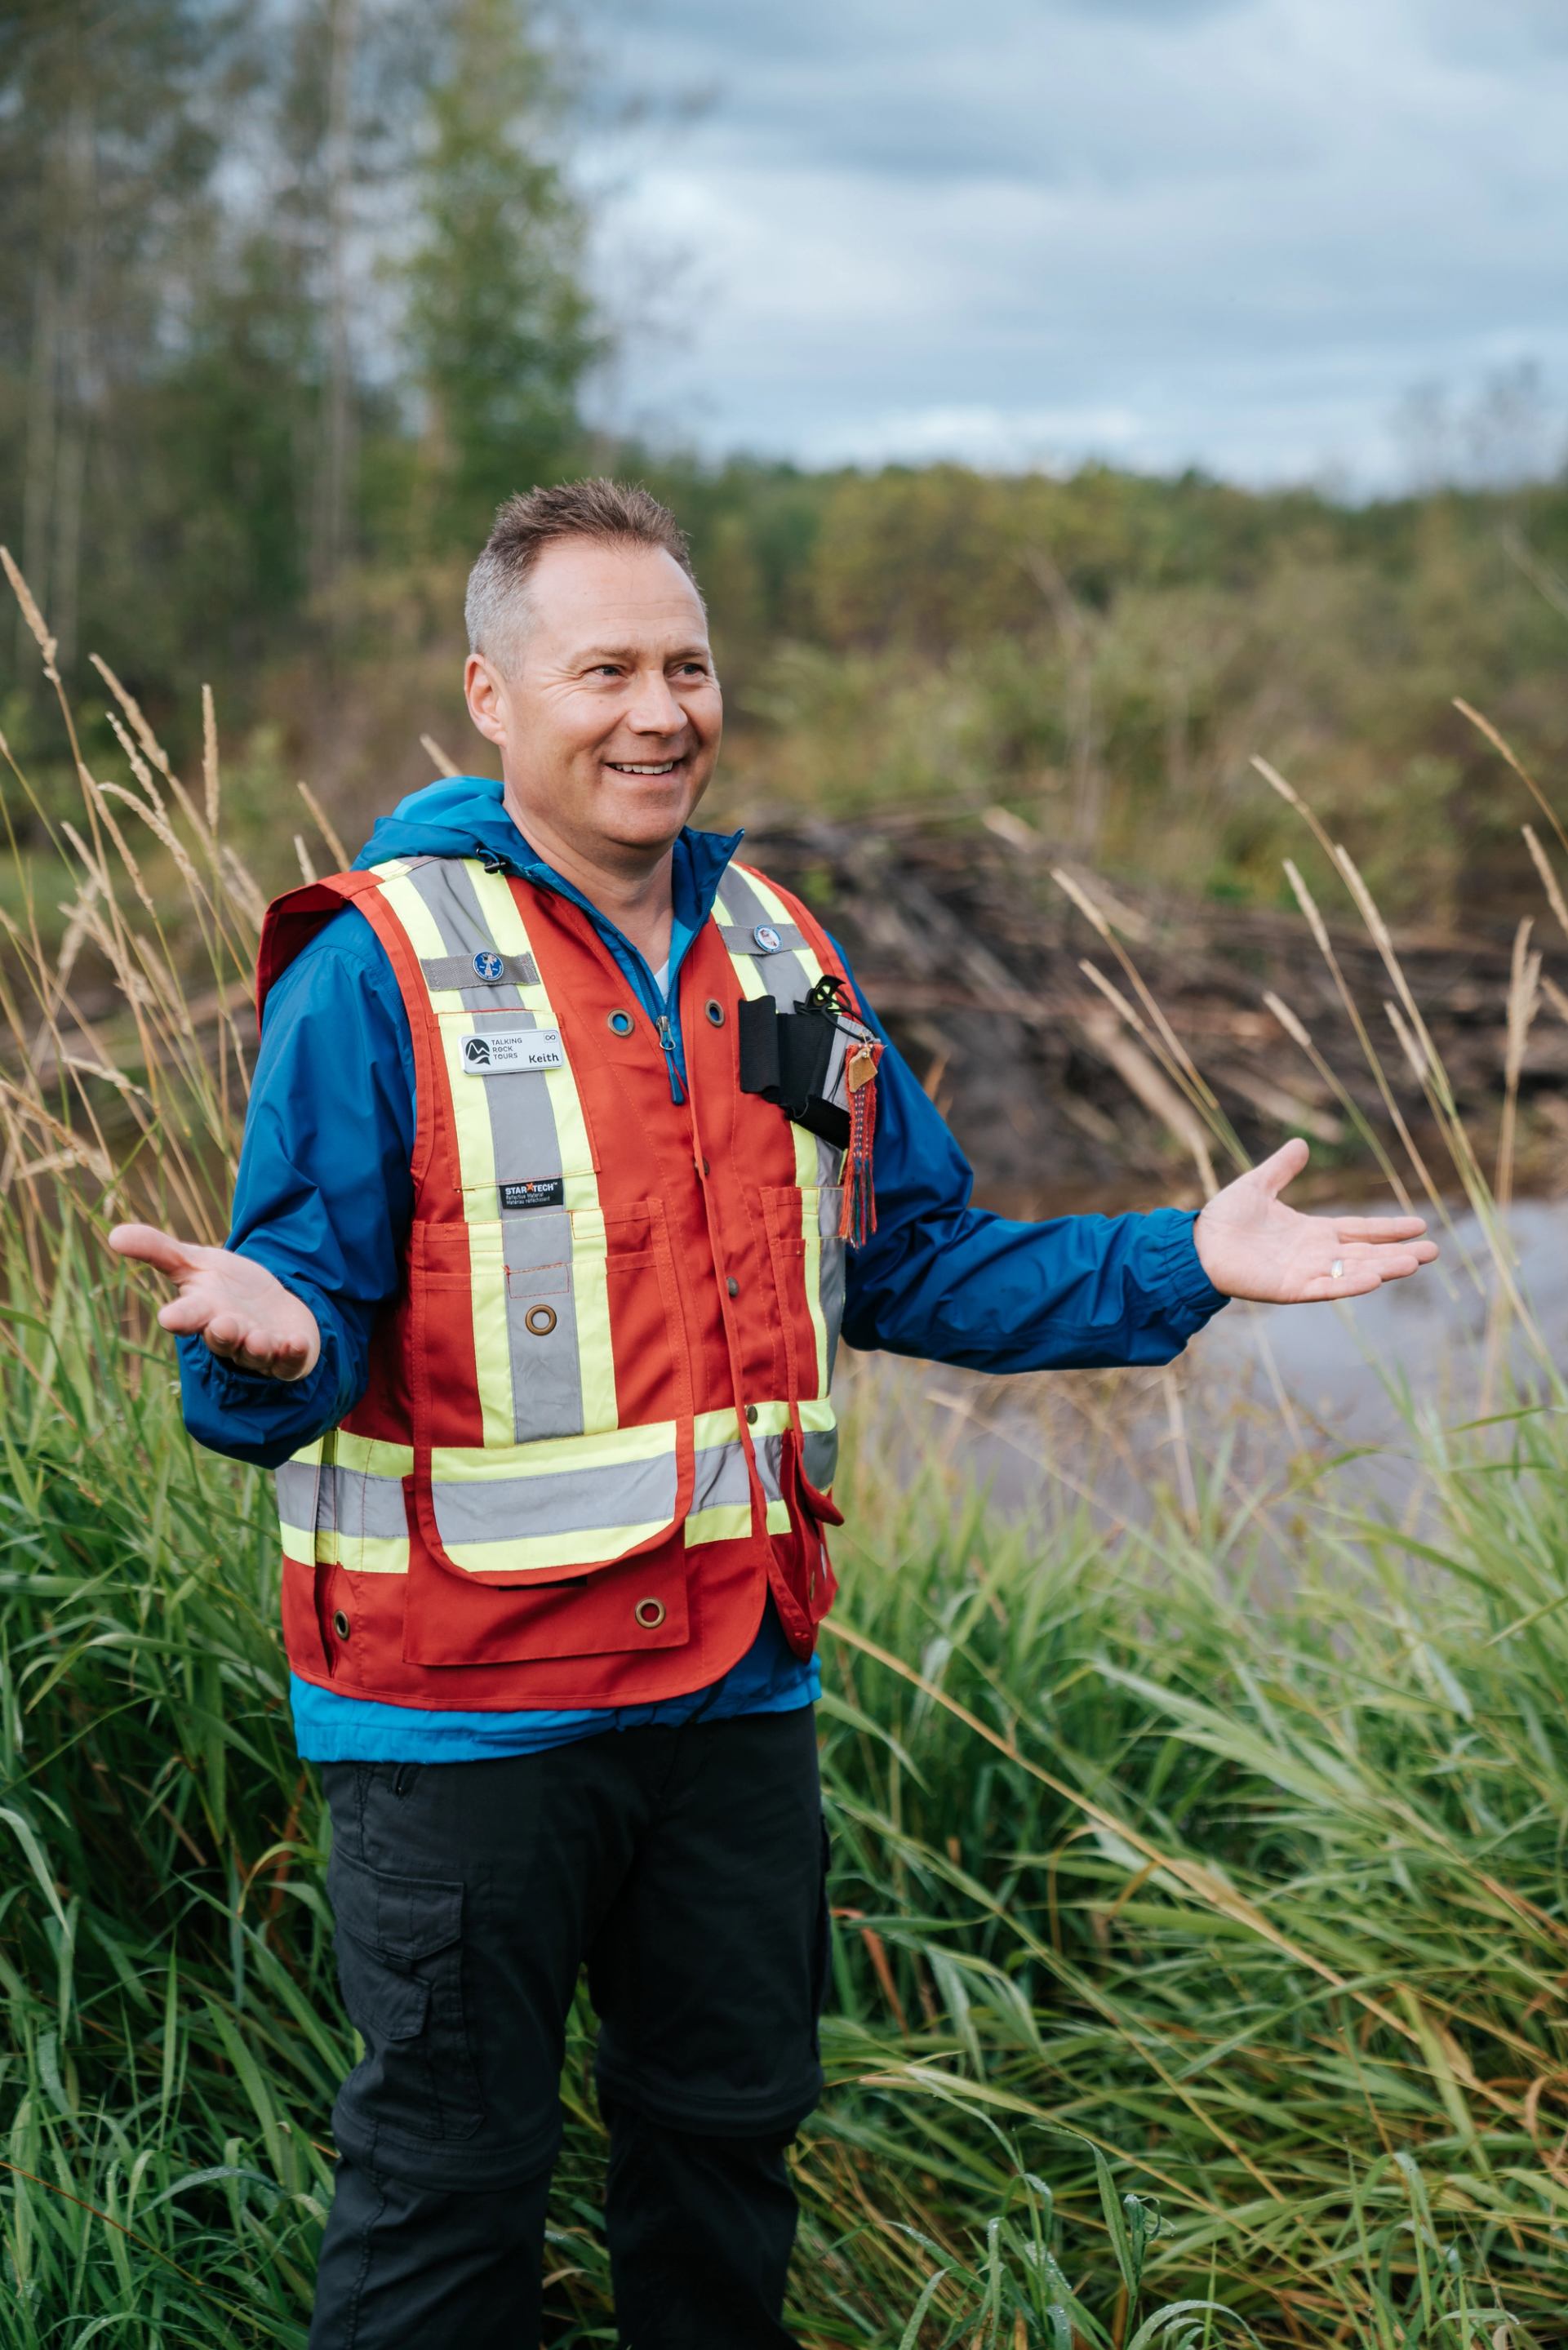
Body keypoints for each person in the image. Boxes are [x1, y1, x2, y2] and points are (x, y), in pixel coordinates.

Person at [109, 478, 1437, 2349]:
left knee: (726, 2153)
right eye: (605, 671)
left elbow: (908, 1268)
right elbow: (292, 1331)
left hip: (736, 1701)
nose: (659, 711)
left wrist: (1186, 1263)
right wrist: (257, 1343)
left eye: (688, 664)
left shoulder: (784, 951)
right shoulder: (375, 963)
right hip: (461, 1721)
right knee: (442, 2192)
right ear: (493, 698)